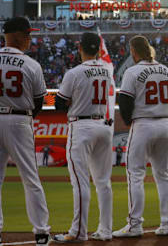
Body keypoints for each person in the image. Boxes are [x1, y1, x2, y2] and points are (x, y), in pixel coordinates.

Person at [0, 16, 51, 246]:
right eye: (27, 34)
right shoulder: (31, 64)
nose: (29, 38)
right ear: (15, 35)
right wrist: (22, 119)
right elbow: (39, 103)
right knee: (30, 178)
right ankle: (42, 232)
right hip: (18, 120)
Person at [53, 32, 114, 242]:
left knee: (80, 182)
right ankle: (106, 230)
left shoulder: (74, 72)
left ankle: (78, 232)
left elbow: (59, 104)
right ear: (98, 49)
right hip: (103, 125)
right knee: (103, 182)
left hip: (81, 126)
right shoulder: (107, 70)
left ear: (80, 48)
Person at [113, 36, 168, 237]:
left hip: (143, 123)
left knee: (136, 175)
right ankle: (167, 223)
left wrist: (130, 121)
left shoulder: (132, 71)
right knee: (163, 174)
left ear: (134, 51)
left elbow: (124, 102)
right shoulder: (167, 70)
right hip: (165, 123)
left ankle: (135, 225)